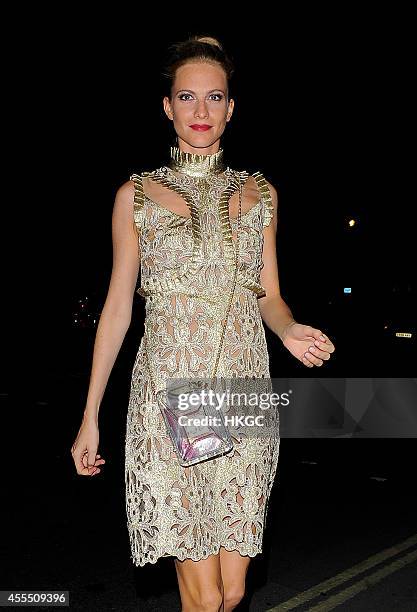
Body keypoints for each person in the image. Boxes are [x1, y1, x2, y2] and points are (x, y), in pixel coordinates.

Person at [71, 35, 335, 612]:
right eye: (186, 98)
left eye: (214, 98)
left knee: (234, 591)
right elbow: (118, 308)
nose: (200, 112)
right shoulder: (135, 195)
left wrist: (288, 328)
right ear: (167, 106)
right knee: (204, 596)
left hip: (240, 396)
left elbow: (270, 298)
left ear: (231, 108)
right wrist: (90, 415)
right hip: (170, 398)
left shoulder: (261, 192)